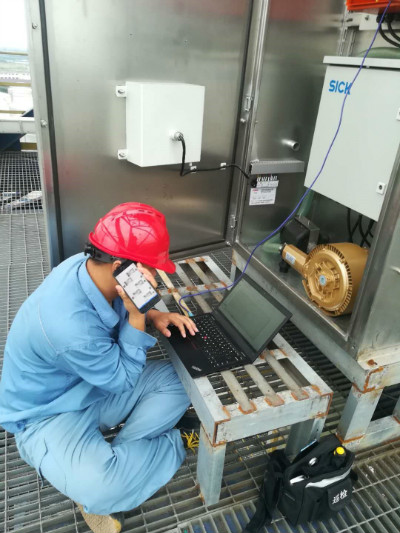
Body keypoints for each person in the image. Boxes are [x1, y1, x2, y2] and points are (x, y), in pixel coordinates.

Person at [0, 202, 198, 533]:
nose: (154, 278)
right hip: (48, 414)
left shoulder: (86, 265)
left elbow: (115, 322)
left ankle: (112, 458)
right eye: (150, 270)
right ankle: (168, 446)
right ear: (121, 268)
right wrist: (137, 316)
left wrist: (153, 314)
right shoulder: (69, 326)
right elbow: (122, 379)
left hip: (90, 385)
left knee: (181, 380)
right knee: (102, 489)